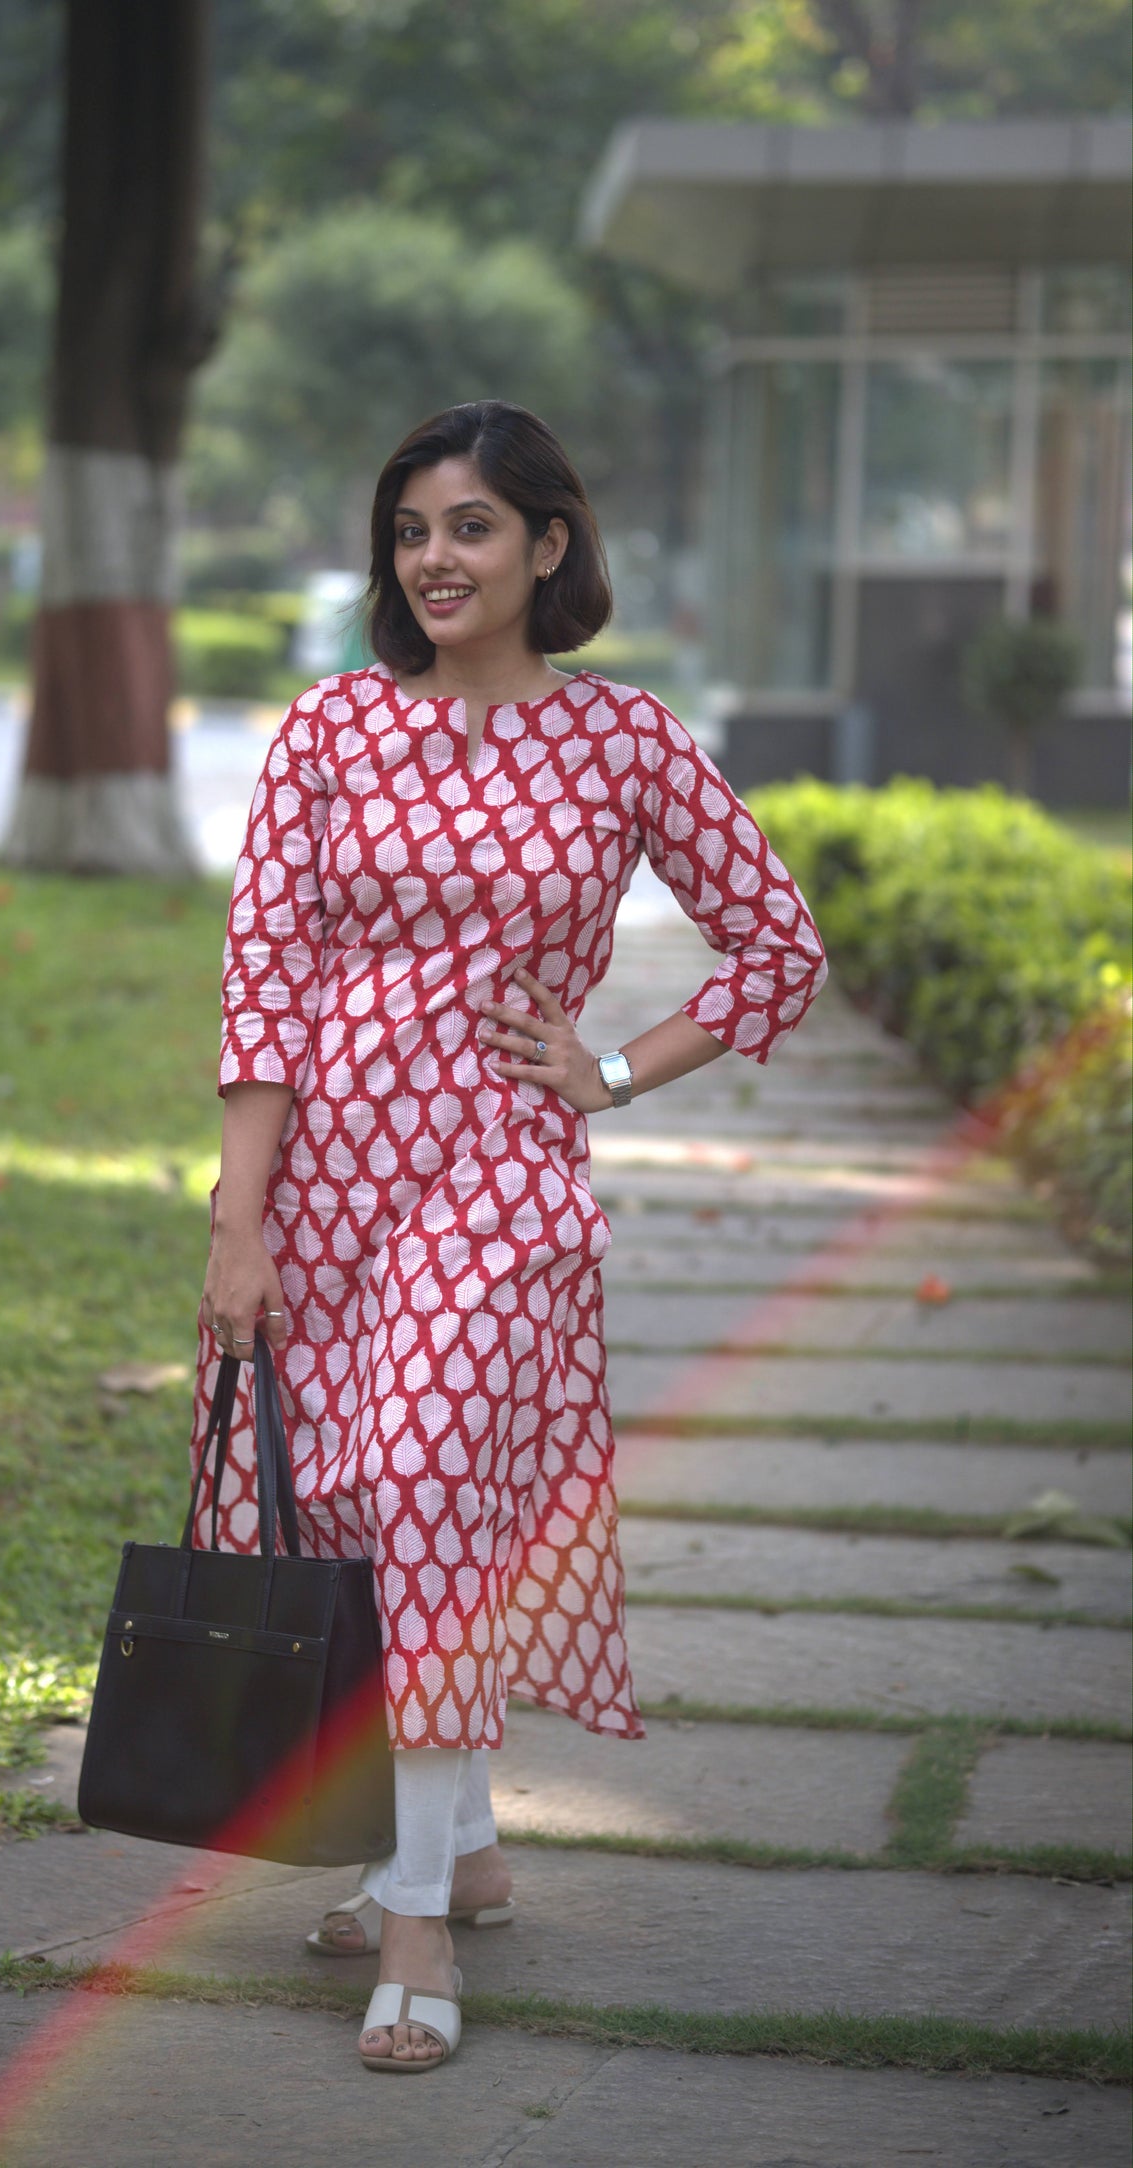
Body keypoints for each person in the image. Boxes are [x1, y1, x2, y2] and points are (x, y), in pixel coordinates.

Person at [198, 399, 827, 2074]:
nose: (435, 559)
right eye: (412, 531)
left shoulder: (622, 742)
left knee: (416, 1482)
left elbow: (776, 946)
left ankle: (407, 1920)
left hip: (497, 1183)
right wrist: (238, 1222)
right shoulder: (329, 730)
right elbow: (264, 988)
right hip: (327, 1186)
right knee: (368, 1519)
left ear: (549, 545)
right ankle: (458, 1851)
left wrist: (611, 1068)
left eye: (471, 527)